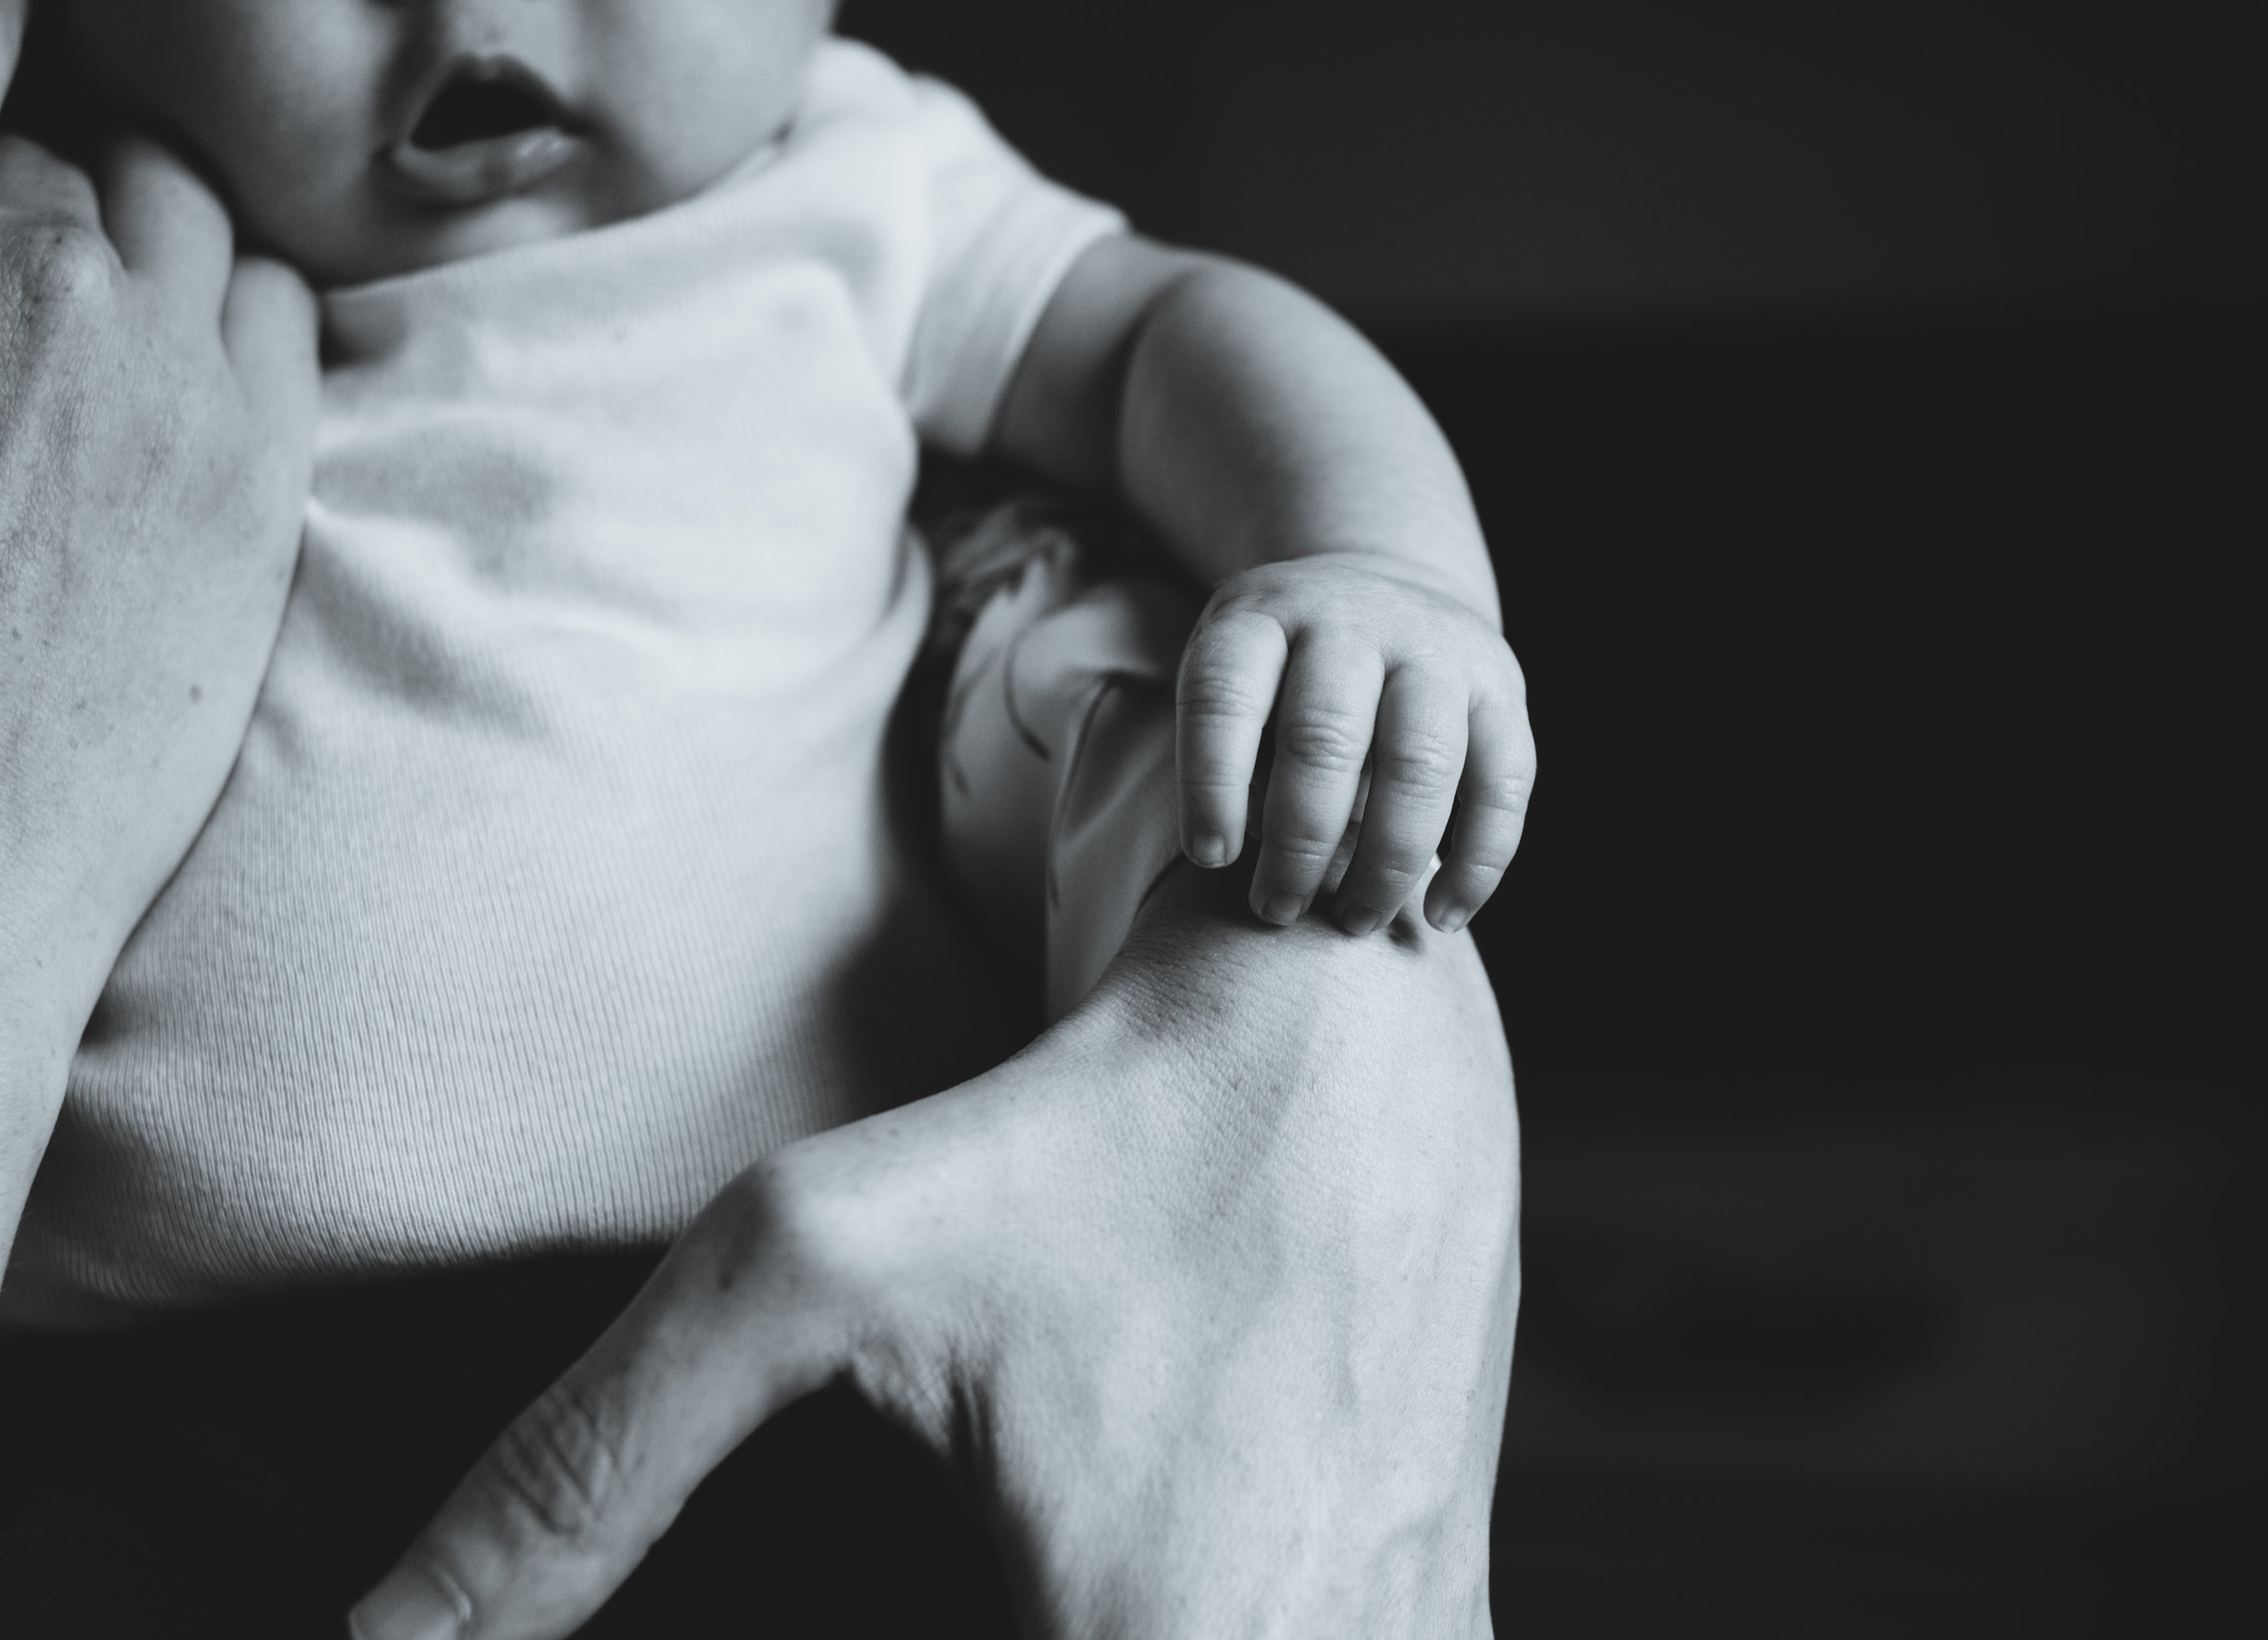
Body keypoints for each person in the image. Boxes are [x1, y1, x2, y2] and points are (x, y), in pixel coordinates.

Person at [0, 1, 1528, 1634]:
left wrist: (1374, 564)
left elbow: (1171, 333)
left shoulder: (850, 175)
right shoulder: (70, 272)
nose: (480, 11)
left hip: (782, 1332)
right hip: (137, 1391)